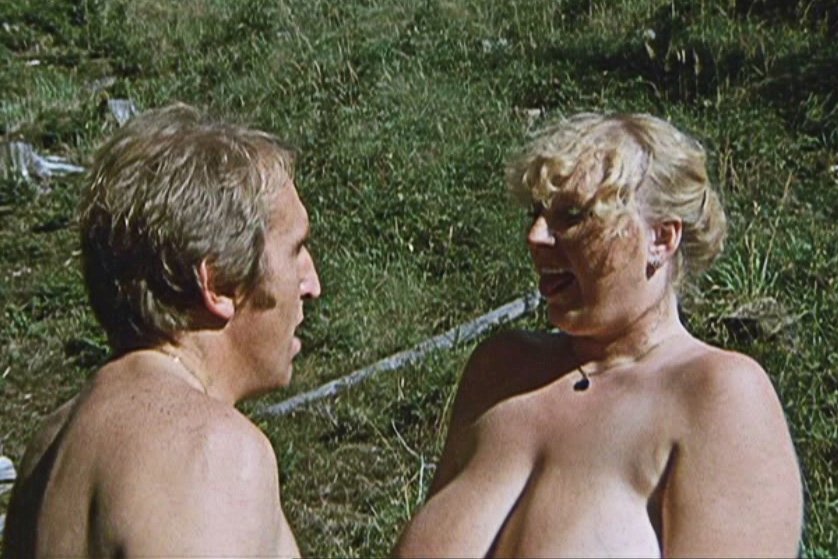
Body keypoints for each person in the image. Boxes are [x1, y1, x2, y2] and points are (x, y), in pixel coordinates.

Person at [394, 113, 802, 557]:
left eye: (573, 216)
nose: (536, 236)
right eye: (537, 213)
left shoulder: (718, 395)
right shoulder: (499, 370)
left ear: (661, 238)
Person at [2, 103, 320, 558]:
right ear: (219, 284)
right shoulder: (213, 453)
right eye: (296, 250)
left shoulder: (47, 453)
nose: (312, 285)